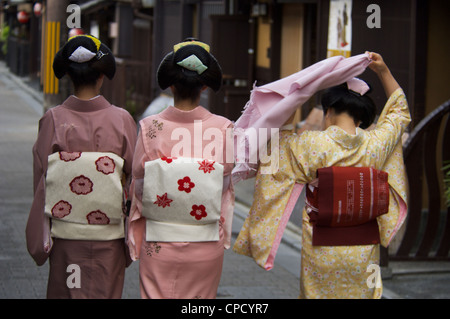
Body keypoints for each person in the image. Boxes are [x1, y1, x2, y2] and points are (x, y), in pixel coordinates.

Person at [233, 52, 410, 299]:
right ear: (360, 116)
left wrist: (296, 95)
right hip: (363, 246)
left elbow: (278, 139)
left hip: (322, 244)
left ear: (328, 112)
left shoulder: (311, 144)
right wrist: (383, 71)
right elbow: (400, 113)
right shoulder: (377, 143)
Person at [26, 35, 137, 298]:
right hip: (109, 234)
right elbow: (135, 178)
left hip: (67, 233)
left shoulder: (53, 119)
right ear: (100, 77)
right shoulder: (121, 119)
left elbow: (42, 181)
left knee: (67, 291)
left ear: (69, 77)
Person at [127, 39, 235, 299]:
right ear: (205, 86)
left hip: (159, 239)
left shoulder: (150, 127)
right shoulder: (223, 128)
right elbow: (226, 186)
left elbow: (138, 187)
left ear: (171, 85)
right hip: (206, 240)